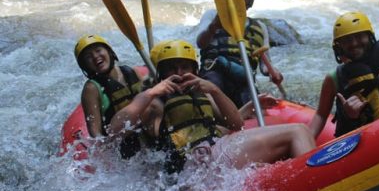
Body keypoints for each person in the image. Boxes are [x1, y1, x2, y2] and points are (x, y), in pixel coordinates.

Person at [108, 39, 315, 173]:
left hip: (216, 152)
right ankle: (314, 183)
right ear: (161, 73)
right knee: (298, 131)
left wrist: (215, 90)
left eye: (185, 67)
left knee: (284, 149)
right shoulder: (155, 103)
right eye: (172, 68)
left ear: (194, 70)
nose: (179, 73)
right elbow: (115, 129)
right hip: (198, 163)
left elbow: (236, 124)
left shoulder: (202, 93)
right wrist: (152, 92)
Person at [196, 0, 283, 108]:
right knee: (211, 94)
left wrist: (273, 73)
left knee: (253, 102)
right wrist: (213, 27)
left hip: (244, 77)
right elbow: (201, 43)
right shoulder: (212, 16)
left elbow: (265, 65)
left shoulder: (260, 27)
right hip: (214, 72)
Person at [74, 34, 152, 157]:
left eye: (98, 50)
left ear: (109, 52)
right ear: (85, 66)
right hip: (124, 147)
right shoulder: (91, 89)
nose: (95, 56)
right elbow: (96, 133)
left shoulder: (132, 72)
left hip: (148, 136)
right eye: (89, 56)